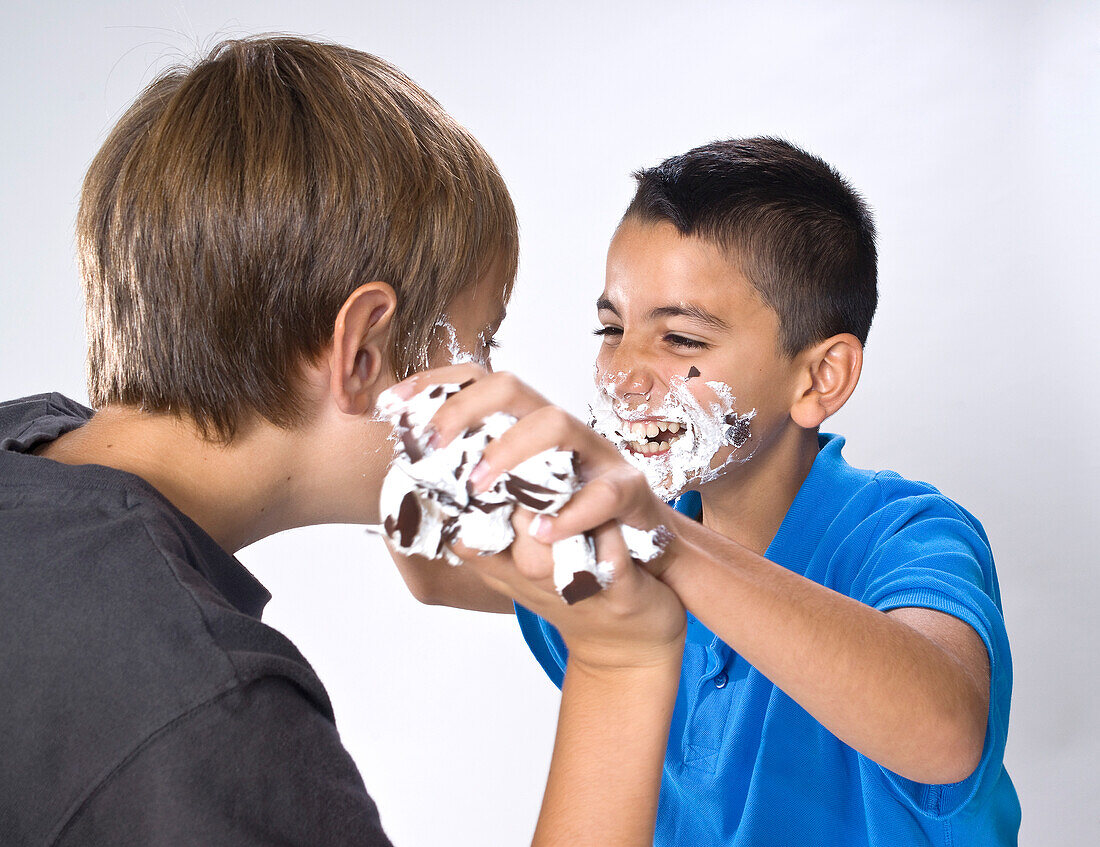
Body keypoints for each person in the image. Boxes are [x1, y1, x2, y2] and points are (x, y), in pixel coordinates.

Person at [0, 36, 686, 847]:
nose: (492, 388)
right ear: (363, 354)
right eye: (480, 343)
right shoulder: (210, 716)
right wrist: (619, 665)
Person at [390, 139, 1021, 845]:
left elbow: (944, 731)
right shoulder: (616, 542)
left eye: (682, 339)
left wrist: (664, 539)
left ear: (821, 378)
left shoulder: (904, 534)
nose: (624, 372)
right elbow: (435, 567)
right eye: (612, 328)